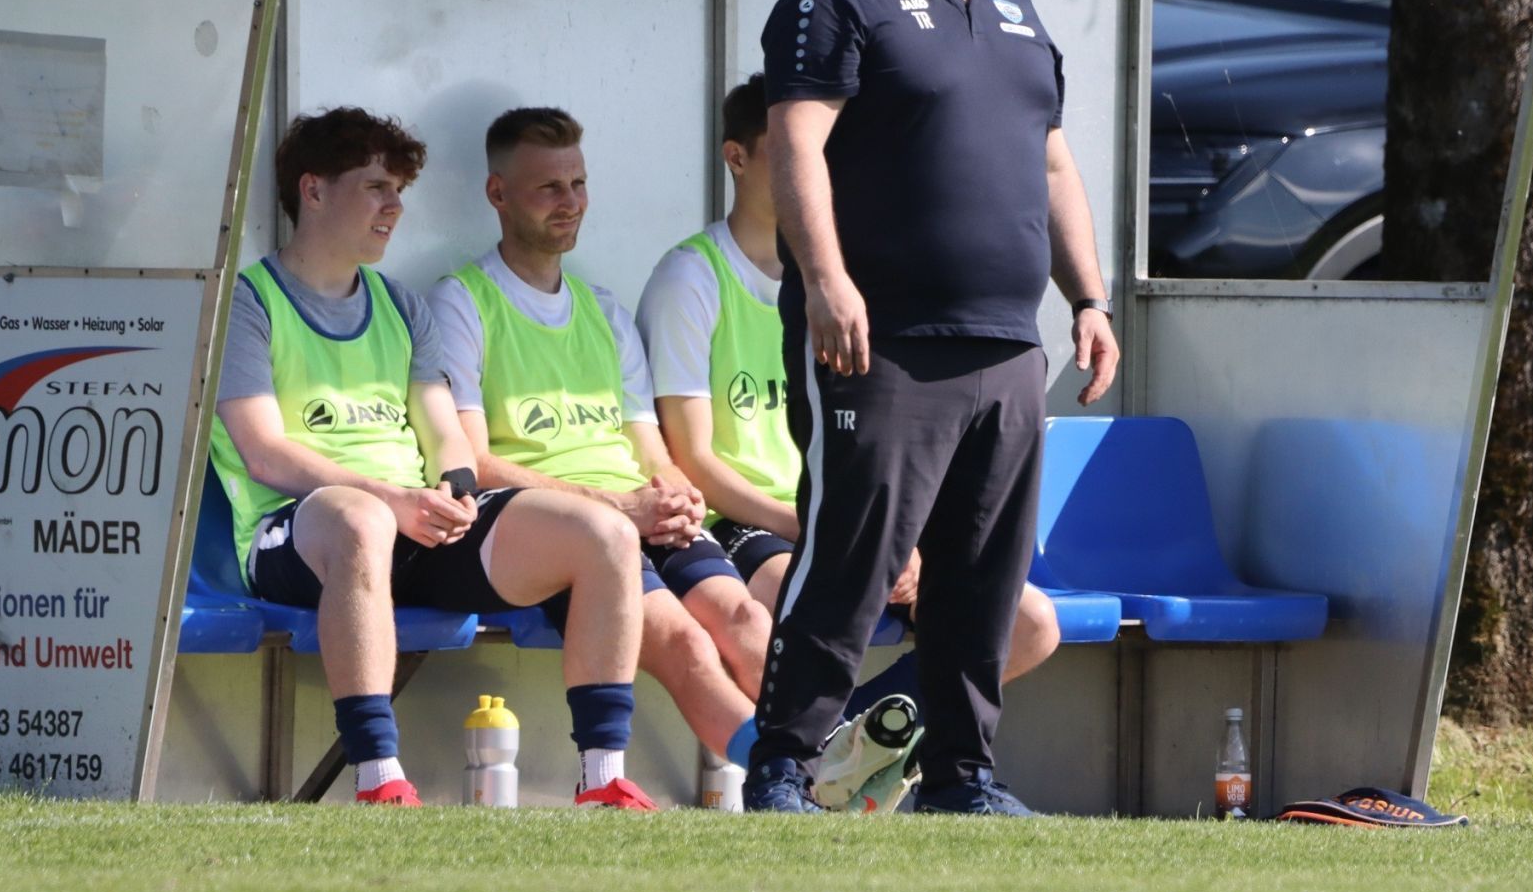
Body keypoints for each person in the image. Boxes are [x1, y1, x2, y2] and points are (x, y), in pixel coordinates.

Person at [743, 0, 1120, 816]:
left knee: (980, 574)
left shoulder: (1013, 4)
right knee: (853, 557)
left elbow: (1050, 161)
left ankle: (961, 776)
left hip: (1004, 345)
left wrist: (1085, 295)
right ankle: (781, 760)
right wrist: (825, 280)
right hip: (882, 342)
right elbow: (796, 146)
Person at [428, 106, 916, 806]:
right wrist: (619, 507)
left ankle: (838, 771)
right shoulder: (462, 302)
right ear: (497, 194)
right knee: (688, 647)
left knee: (748, 621)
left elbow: (653, 451)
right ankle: (803, 780)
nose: (570, 204)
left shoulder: (602, 310)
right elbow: (474, 461)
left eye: (579, 183)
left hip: (638, 516)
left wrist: (672, 497)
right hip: (558, 533)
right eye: (549, 189)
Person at [208, 107, 655, 809]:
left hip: (414, 520)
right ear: (313, 190)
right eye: (376, 188)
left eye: (400, 192)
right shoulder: (248, 302)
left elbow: (446, 437)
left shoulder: (401, 305)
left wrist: (453, 491)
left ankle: (603, 779)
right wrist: (392, 500)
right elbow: (265, 454)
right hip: (298, 530)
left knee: (606, 533)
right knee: (360, 521)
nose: (394, 208)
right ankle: (378, 776)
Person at [637, 73, 1062, 800]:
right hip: (758, 522)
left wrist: (904, 539)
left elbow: (907, 439)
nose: (814, 166)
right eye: (788, 149)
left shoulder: (855, 276)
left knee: (1029, 623)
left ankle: (851, 750)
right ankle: (812, 765)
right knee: (787, 611)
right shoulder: (692, 277)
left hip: (865, 516)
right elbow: (693, 460)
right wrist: (813, 526)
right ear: (737, 158)